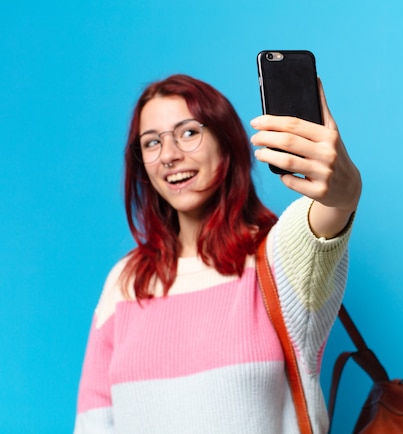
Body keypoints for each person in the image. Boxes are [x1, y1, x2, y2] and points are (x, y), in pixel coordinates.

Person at [74, 74, 361, 433]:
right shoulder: (126, 281)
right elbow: (94, 424)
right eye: (151, 143)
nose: (169, 155)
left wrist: (343, 193)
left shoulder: (276, 259)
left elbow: (322, 222)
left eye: (189, 132)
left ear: (226, 142)